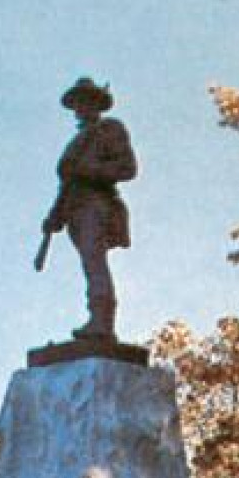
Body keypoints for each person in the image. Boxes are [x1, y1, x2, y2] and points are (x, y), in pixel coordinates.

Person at [42, 78, 137, 340]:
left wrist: (90, 171)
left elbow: (127, 168)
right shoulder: (76, 142)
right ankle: (96, 319)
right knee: (89, 263)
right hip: (75, 208)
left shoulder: (109, 130)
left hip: (97, 204)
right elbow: (67, 186)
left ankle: (102, 321)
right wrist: (55, 216)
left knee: (95, 262)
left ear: (96, 103)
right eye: (77, 102)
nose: (80, 107)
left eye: (85, 100)